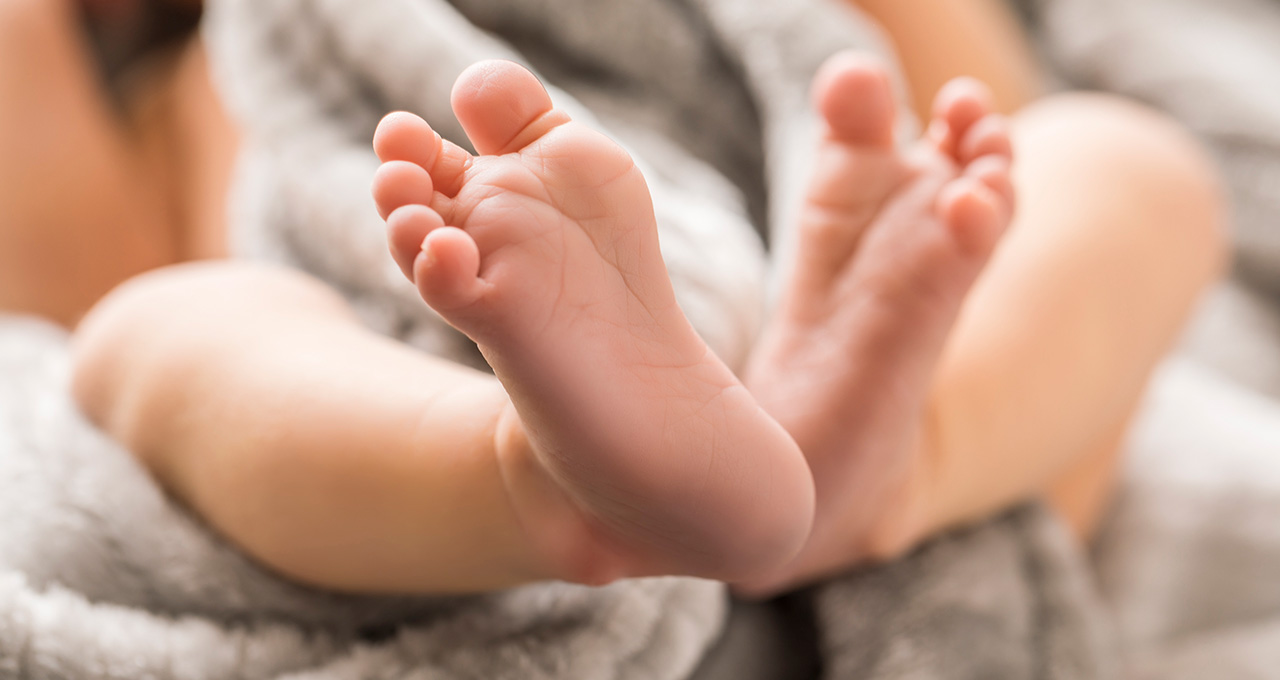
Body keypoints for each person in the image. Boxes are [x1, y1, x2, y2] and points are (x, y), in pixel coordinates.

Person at [3, 0, 1224, 595]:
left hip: (809, 308)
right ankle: (551, 478)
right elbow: (58, 306)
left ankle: (876, 459)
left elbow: (970, 126)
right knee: (145, 336)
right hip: (391, 410)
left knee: (1125, 162)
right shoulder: (205, 68)